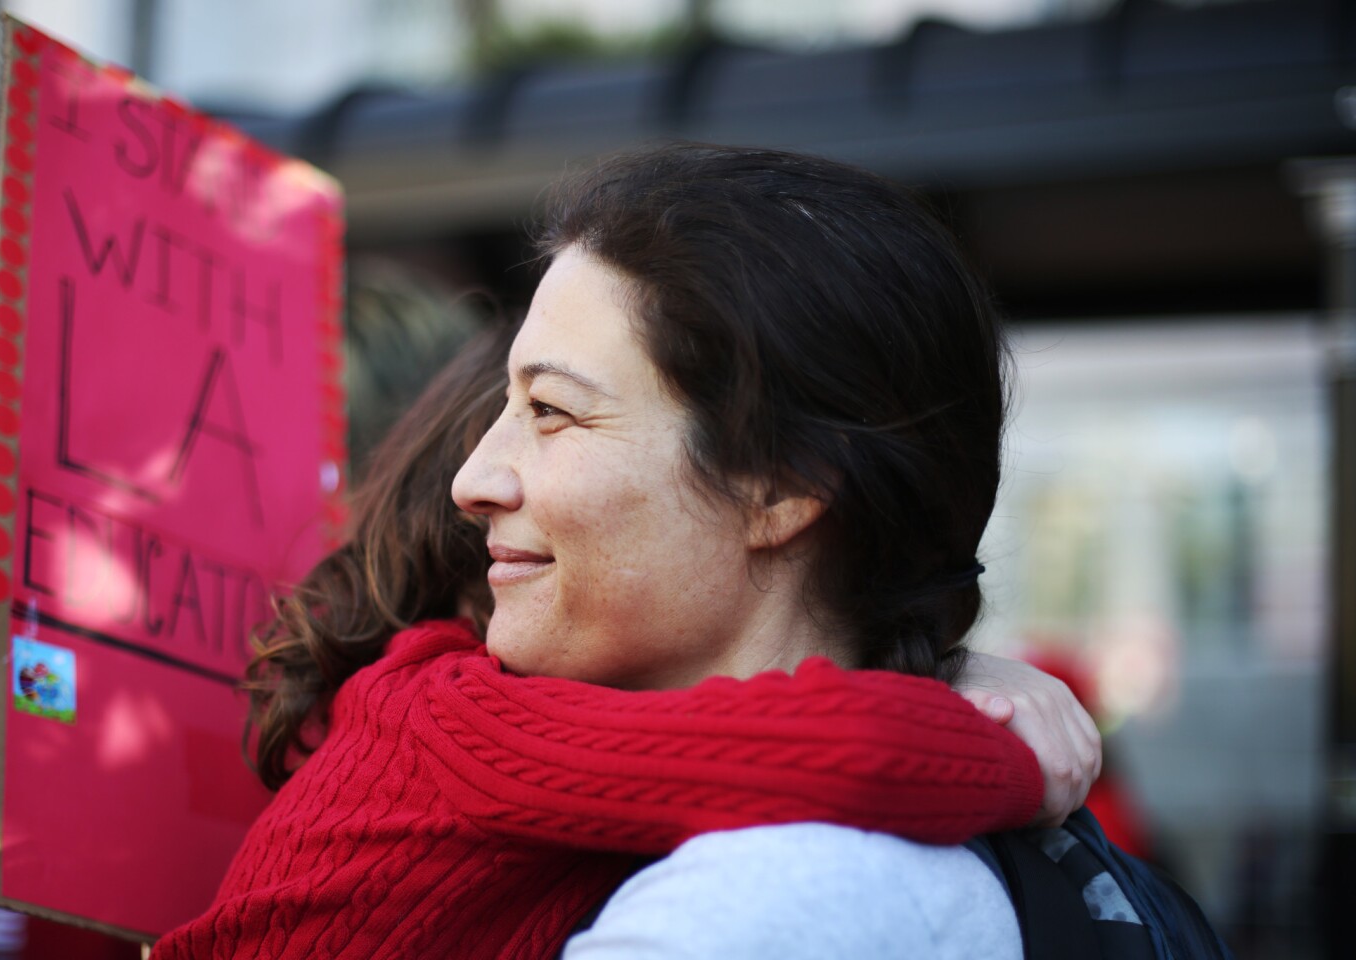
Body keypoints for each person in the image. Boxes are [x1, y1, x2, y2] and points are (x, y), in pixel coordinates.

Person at [154, 144, 1096, 960]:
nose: (470, 478)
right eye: (504, 408)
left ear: (781, 486)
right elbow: (828, 750)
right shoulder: (452, 720)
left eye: (552, 411)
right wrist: (996, 730)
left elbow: (820, 750)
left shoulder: (762, 905)